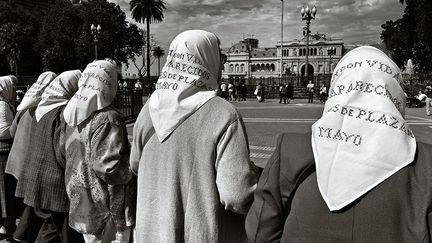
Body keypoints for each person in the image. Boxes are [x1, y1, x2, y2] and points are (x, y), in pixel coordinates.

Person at [245, 46, 429, 242]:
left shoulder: (292, 150)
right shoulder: (425, 165)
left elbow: (259, 233)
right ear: (394, 90)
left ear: (338, 86)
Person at [130, 30, 257, 243]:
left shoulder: (148, 109)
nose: (223, 66)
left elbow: (135, 164)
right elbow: (237, 195)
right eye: (220, 58)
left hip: (150, 232)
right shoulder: (223, 114)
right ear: (208, 60)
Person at [63, 59, 134, 243]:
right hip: (104, 207)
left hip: (80, 200)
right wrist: (133, 167)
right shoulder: (109, 117)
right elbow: (109, 168)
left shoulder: (72, 113)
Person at [13, 70, 84, 243]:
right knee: (59, 228)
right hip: (55, 181)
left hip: (36, 177)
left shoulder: (42, 108)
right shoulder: (62, 113)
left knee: (51, 226)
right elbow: (63, 151)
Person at [5, 71, 57, 242]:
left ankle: (21, 233)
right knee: (34, 203)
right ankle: (22, 234)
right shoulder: (46, 109)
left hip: (16, 161)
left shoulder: (25, 106)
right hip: (30, 162)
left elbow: (12, 131)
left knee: (30, 203)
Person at [0, 76, 17, 240]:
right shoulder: (3, 105)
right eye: (12, 86)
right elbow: (6, 131)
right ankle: (7, 225)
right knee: (5, 191)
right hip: (3, 152)